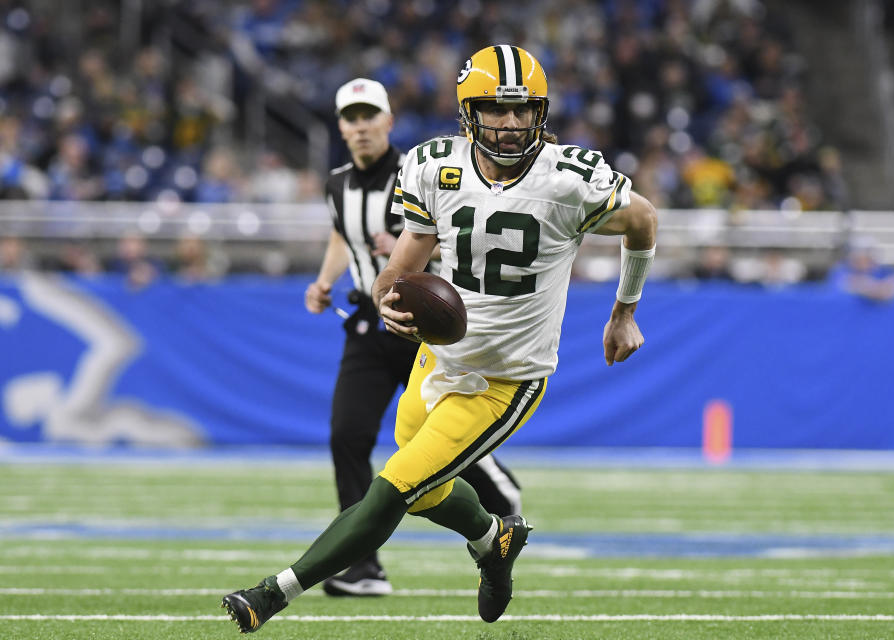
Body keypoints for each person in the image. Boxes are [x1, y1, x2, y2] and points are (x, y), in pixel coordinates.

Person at [221, 45, 658, 632]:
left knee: (394, 488)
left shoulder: (570, 179)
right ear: (466, 113)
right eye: (493, 110)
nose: (508, 124)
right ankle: (492, 540)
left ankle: (273, 594)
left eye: (521, 111)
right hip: (437, 357)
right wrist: (388, 299)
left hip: (505, 378)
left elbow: (644, 220)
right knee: (425, 488)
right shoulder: (436, 168)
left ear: (541, 113)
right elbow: (400, 268)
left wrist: (623, 311)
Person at [301, 77, 523, 597]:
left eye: (368, 117)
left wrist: (411, 253)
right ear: (341, 126)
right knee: (348, 435)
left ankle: (502, 504)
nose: (359, 128)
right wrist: (325, 280)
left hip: (422, 325)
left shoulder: (423, 172)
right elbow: (341, 234)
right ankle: (362, 566)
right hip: (366, 322)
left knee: (440, 438)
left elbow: (468, 244)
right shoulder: (337, 184)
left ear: (388, 121)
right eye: (350, 119)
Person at [828, 236, 894, 303]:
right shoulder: (841, 271)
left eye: (867, 256)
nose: (864, 261)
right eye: (860, 256)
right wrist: (871, 289)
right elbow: (841, 284)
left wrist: (885, 288)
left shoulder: (883, 271)